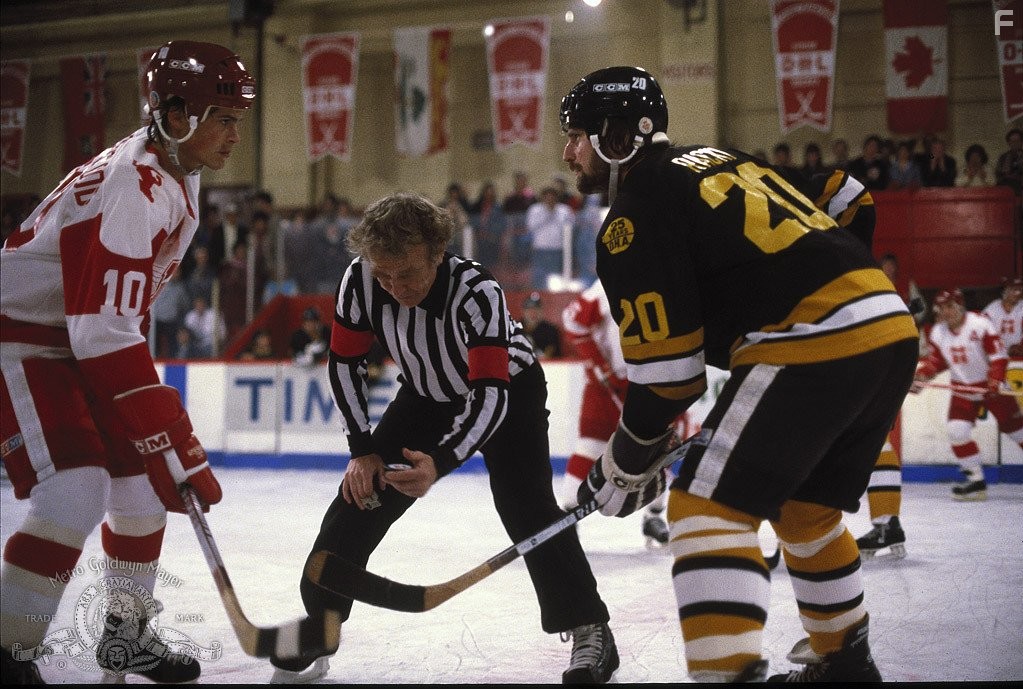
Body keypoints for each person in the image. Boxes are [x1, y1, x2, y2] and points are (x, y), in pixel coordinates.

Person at [559, 66, 919, 682]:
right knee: (806, 512)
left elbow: (672, 379)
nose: (568, 153)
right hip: (888, 323)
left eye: (578, 136)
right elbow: (847, 192)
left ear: (620, 137)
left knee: (705, 507)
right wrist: (838, 267)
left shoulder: (632, 216)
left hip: (813, 336)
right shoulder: (723, 157)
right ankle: (846, 667)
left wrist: (623, 462)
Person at [268, 192, 618, 684]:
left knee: (528, 509)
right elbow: (345, 362)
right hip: (425, 396)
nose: (393, 286)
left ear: (437, 252)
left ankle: (589, 626)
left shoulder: (477, 291)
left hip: (507, 396)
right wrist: (362, 449)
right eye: (383, 274)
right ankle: (321, 624)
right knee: (357, 499)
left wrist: (440, 461)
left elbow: (490, 398)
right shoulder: (361, 281)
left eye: (407, 273)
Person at [0, 40, 253, 683]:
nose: (234, 133)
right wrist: (172, 429)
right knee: (75, 490)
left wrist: (156, 434)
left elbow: (112, 322)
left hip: (77, 336)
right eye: (223, 117)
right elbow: (101, 331)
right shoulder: (131, 188)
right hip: (23, 339)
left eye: (235, 118)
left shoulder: (175, 174)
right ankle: (6, 649)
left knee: (140, 486)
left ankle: (126, 637)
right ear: (176, 115)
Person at [560, 278, 670, 547]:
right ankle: (564, 520)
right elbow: (572, 320)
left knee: (658, 453)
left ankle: (654, 516)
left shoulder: (667, 277)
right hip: (607, 389)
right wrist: (601, 369)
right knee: (590, 449)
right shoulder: (608, 284)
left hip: (648, 383)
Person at [911, 288, 1023, 500]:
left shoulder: (980, 323)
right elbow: (937, 362)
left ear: (961, 306)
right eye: (942, 307)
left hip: (992, 389)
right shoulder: (937, 332)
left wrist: (996, 378)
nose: (947, 311)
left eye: (951, 306)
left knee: (1018, 432)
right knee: (956, 431)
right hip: (963, 388)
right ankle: (976, 482)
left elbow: (998, 357)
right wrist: (923, 375)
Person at [525, 186, 575, 290]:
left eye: (552, 197)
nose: (550, 200)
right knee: (539, 276)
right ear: (543, 197)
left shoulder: (564, 210)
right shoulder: (535, 209)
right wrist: (548, 213)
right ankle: (538, 295)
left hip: (556, 248)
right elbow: (531, 226)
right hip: (540, 249)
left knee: (554, 276)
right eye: (547, 197)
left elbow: (570, 227)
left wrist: (555, 213)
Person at [983, 276, 1023, 357]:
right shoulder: (992, 309)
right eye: (1014, 290)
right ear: (1004, 291)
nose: (1018, 293)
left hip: (1019, 354)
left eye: (1020, 289)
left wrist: (1021, 346)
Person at [521, 292, 563, 358]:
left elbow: (550, 353)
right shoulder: (515, 328)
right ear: (524, 311)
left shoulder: (550, 330)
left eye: (536, 309)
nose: (533, 313)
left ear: (541, 311)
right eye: (529, 309)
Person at [995, 128, 1023, 195]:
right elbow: (998, 174)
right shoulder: (1003, 157)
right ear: (1008, 143)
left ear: (1021, 142)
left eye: (1017, 141)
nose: (1015, 143)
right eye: (1012, 141)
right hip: (1007, 187)